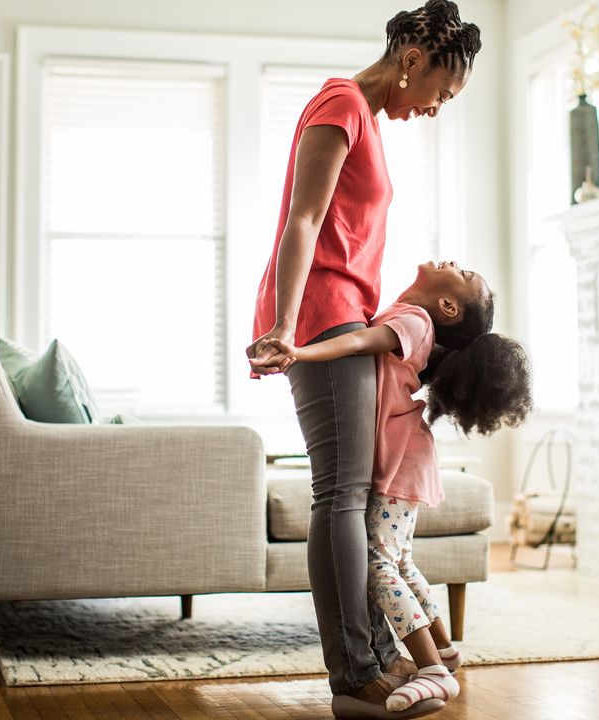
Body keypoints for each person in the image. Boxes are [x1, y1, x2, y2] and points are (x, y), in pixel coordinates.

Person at [246, 2, 482, 718]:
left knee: (350, 496)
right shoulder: (341, 101)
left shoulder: (366, 119)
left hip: (340, 314)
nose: (436, 108)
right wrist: (288, 326)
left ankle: (373, 656)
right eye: (441, 92)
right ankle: (353, 671)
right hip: (320, 317)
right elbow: (304, 219)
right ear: (413, 59)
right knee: (342, 498)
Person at [252, 260, 533, 713]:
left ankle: (432, 671)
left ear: (446, 306)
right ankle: (443, 648)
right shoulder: (413, 317)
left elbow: (361, 341)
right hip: (408, 458)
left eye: (463, 275)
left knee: (379, 564)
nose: (453, 264)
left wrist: (299, 351)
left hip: (401, 461)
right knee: (398, 559)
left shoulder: (414, 320)